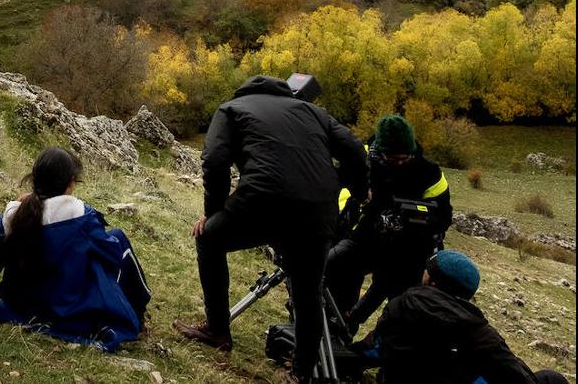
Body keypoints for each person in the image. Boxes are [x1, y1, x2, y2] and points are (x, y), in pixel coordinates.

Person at [173, 74, 368, 380]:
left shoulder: (232, 109)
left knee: (209, 240)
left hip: (261, 201)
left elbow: (214, 160)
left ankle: (217, 331)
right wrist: (349, 187)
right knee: (308, 292)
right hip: (317, 210)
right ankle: (300, 373)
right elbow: (356, 150)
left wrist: (213, 214)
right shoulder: (314, 112)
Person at [0, 147, 150, 351]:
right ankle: (136, 313)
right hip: (67, 310)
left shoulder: (13, 217)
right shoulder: (82, 217)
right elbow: (111, 255)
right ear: (70, 183)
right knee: (118, 239)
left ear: (34, 179)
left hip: (21, 307)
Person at [357, 250, 567, 384]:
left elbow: (373, 350)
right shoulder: (480, 333)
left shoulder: (400, 307)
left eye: (427, 271)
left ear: (433, 282)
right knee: (551, 379)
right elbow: (512, 373)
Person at [326, 114, 453, 333]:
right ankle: (337, 330)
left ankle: (386, 345)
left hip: (409, 247)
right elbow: (336, 193)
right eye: (394, 159)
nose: (401, 163)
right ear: (381, 150)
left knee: (400, 302)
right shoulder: (361, 159)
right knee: (338, 275)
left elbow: (444, 216)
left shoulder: (429, 172)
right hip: (362, 236)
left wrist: (416, 222)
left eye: (406, 158)